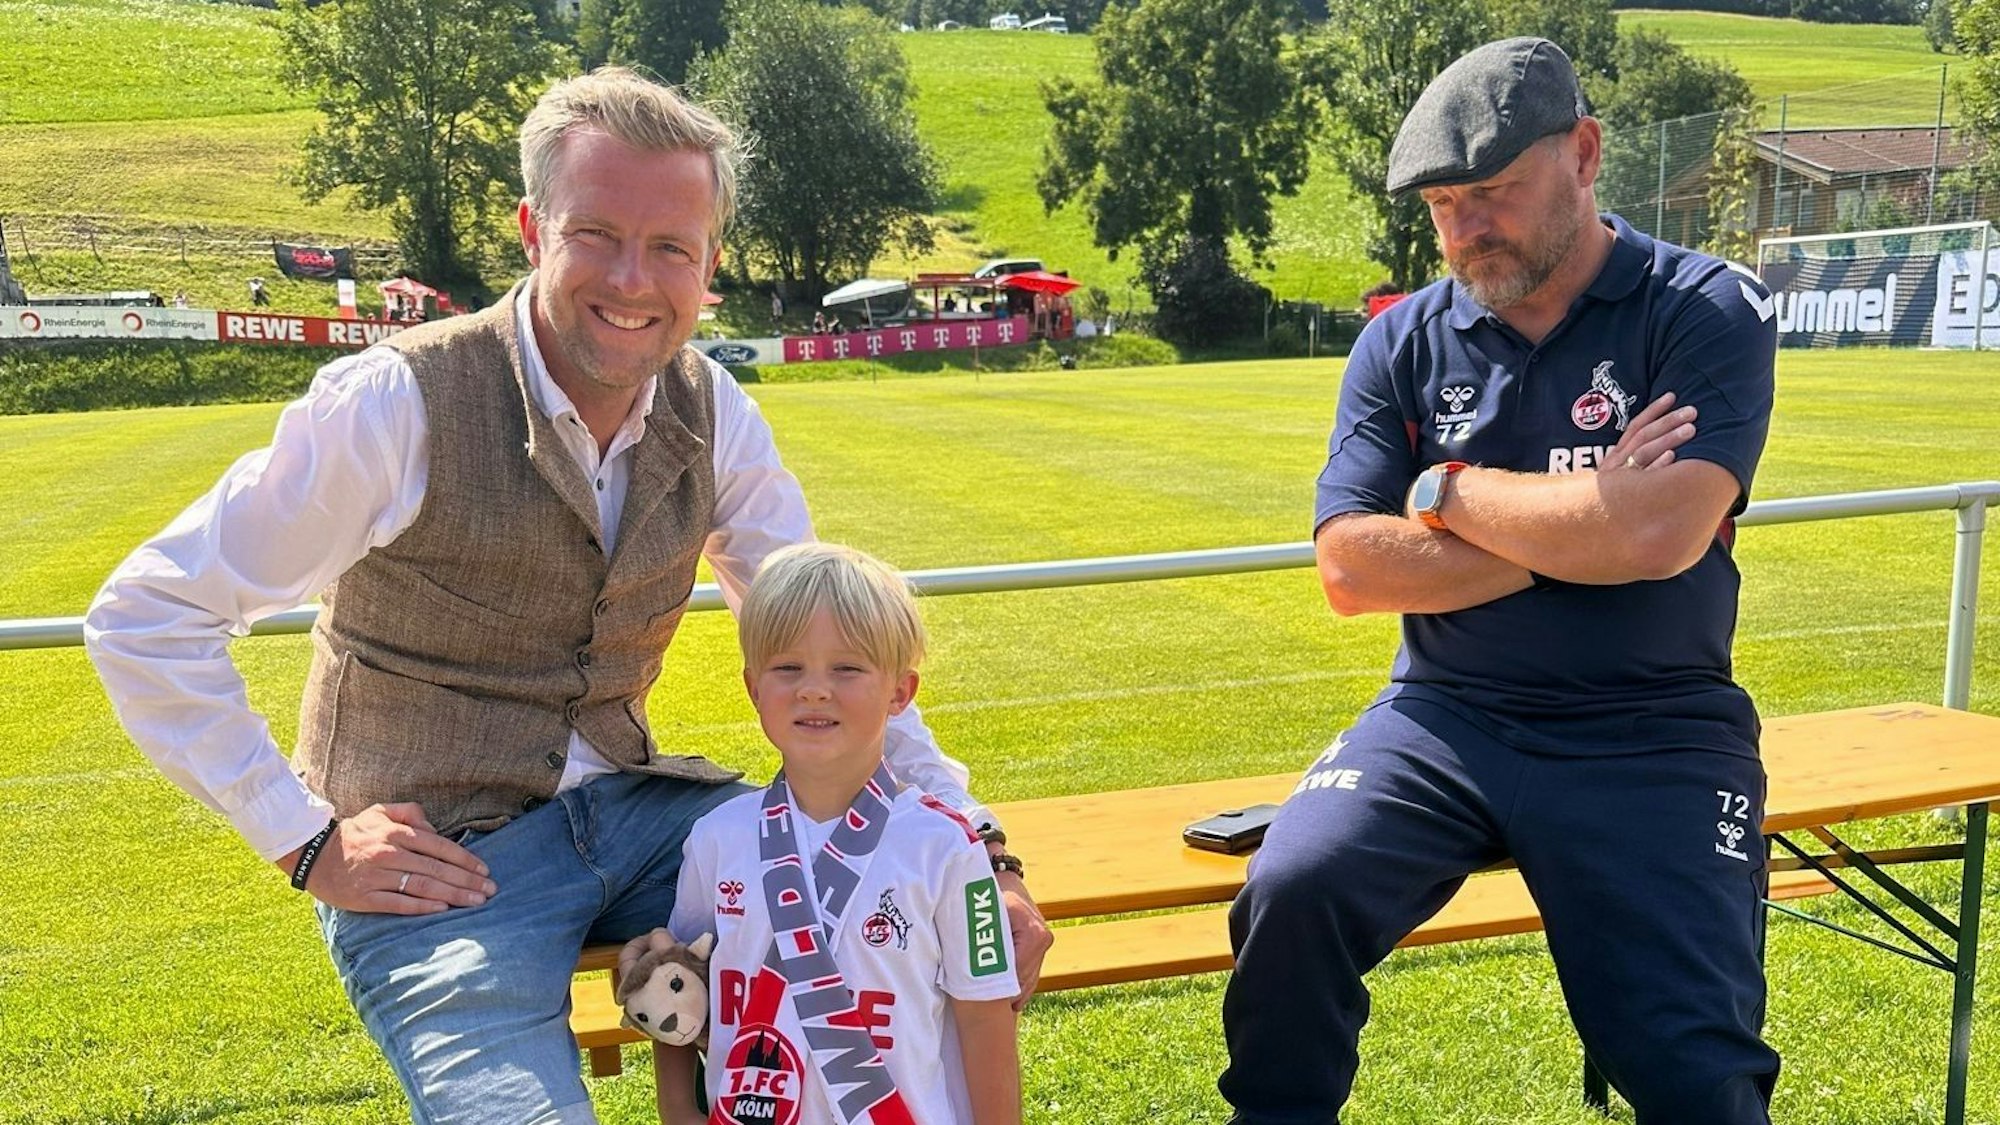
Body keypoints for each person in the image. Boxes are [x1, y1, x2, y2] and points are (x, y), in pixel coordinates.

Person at [84, 66, 1050, 1125]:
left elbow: (832, 641)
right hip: (446, 860)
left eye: (671, 246)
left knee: (897, 937)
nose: (634, 279)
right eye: (596, 233)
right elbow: (147, 615)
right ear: (531, 230)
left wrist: (980, 852)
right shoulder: (399, 400)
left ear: (709, 264)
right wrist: (305, 840)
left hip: (649, 821)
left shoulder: (713, 409)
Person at [1220, 38, 1779, 1124]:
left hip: (1653, 726)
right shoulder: (1400, 343)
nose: (1465, 227)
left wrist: (1442, 490)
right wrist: (1586, 526)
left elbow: (1660, 534)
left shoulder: (1702, 305)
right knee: (1292, 890)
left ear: (1583, 154)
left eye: (1492, 191)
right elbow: (1349, 567)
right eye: (1443, 204)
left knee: (1692, 1066)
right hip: (1443, 716)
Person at [637, 542, 1020, 1125]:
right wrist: (676, 1110)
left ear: (900, 692)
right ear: (753, 688)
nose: (814, 689)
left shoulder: (946, 847)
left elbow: (985, 1017)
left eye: (847, 668)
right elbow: (679, 980)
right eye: (788, 668)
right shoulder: (716, 838)